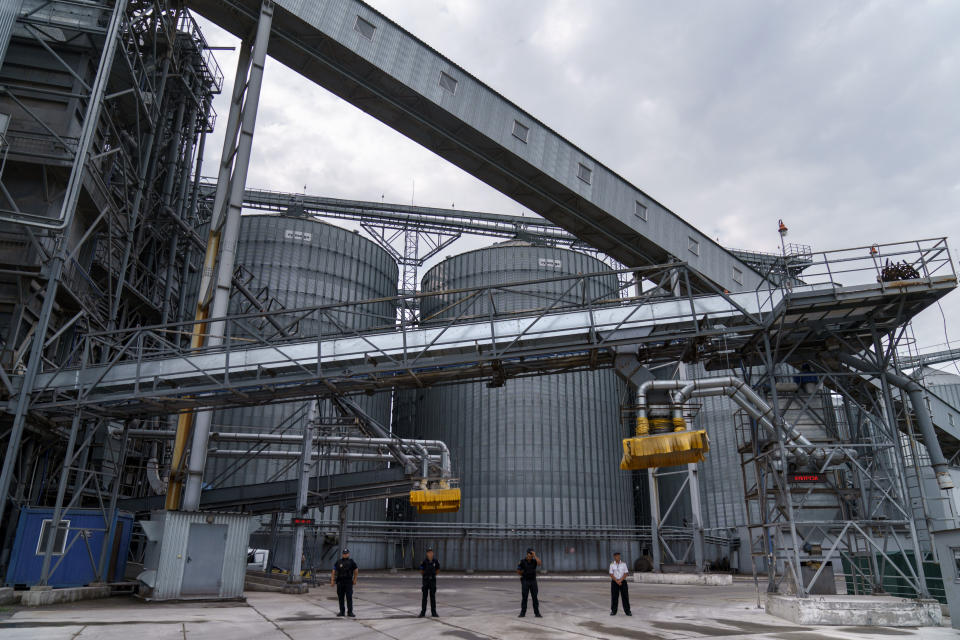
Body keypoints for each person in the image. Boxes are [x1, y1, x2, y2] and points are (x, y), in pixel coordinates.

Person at [330, 548, 358, 617]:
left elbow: (356, 570)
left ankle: (350, 612)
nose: (345, 555)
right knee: (341, 597)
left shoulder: (351, 562)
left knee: (349, 597)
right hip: (340, 582)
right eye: (344, 554)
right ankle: (342, 612)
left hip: (348, 582)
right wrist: (332, 580)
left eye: (346, 553)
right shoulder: (338, 562)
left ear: (348, 554)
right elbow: (333, 571)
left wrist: (355, 579)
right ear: (342, 554)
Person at [516, 547, 542, 617]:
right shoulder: (522, 561)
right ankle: (523, 613)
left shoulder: (534, 561)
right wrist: (523, 573)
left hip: (533, 581)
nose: (531, 555)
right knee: (524, 597)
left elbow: (539, 563)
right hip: (525, 581)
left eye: (532, 553)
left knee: (535, 597)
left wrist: (535, 556)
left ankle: (537, 613)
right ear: (527, 554)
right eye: (530, 553)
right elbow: (518, 571)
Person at [418, 547, 440, 617]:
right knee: (424, 597)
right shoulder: (424, 561)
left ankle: (434, 612)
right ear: (427, 554)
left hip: (433, 581)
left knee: (432, 597)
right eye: (429, 552)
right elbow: (421, 570)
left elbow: (438, 569)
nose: (430, 553)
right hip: (426, 581)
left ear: (432, 553)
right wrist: (425, 576)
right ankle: (423, 612)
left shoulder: (435, 561)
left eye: (431, 552)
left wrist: (433, 575)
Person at [609, 551, 631, 616]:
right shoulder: (612, 564)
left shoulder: (624, 564)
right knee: (614, 597)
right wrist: (617, 581)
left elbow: (626, 573)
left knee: (625, 597)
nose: (618, 557)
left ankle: (628, 611)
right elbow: (611, 574)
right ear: (614, 557)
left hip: (623, 582)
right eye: (616, 556)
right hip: (615, 582)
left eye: (618, 556)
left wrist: (620, 580)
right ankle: (613, 611)